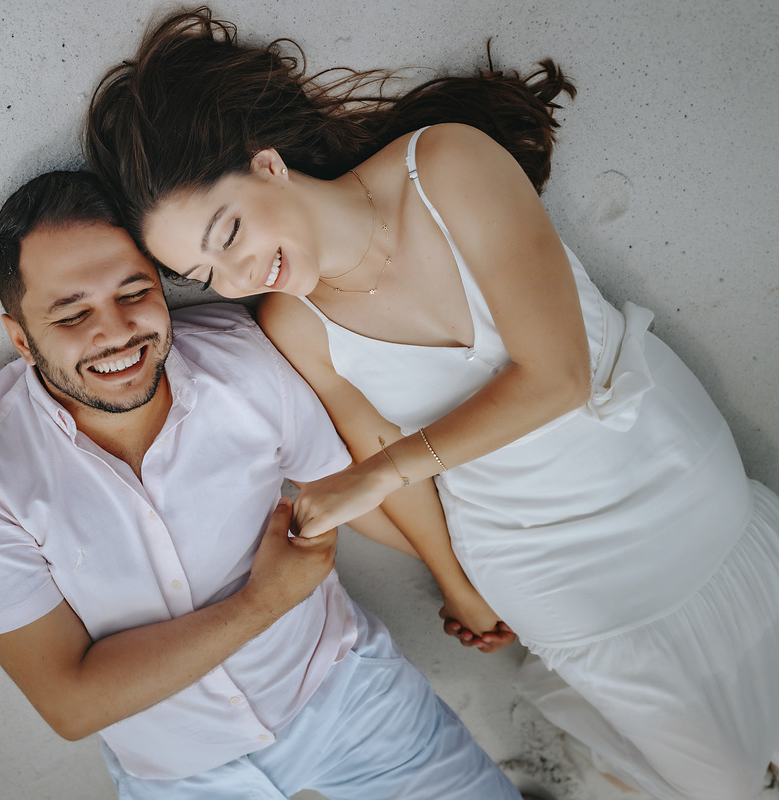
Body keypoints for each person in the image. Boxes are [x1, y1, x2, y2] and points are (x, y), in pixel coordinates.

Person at [83, 8, 779, 800]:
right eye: (206, 276)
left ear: (268, 165)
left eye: (227, 231)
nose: (237, 276)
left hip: (668, 466)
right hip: (540, 561)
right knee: (725, 779)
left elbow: (557, 378)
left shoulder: (445, 165)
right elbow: (394, 476)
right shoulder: (293, 323)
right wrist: (460, 585)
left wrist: (378, 475)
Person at [0, 169, 527, 799]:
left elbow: (355, 491)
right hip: (179, 774)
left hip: (346, 693)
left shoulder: (242, 362)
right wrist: (263, 601)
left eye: (133, 292)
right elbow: (71, 704)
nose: (116, 332)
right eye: (73, 314)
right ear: (21, 339)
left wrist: (472, 581)